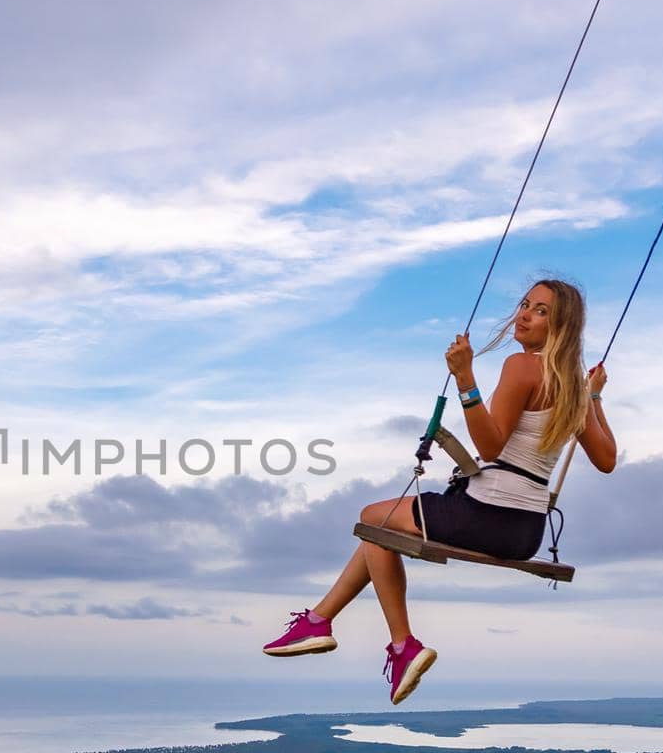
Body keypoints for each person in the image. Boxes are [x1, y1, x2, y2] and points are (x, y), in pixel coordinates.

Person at [261, 279, 618, 704]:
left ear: (561, 325)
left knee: (374, 519)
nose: (524, 314)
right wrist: (593, 397)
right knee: (383, 523)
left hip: (486, 514)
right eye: (525, 304)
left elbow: (490, 445)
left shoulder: (522, 367)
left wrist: (466, 379)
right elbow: (607, 459)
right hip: (526, 533)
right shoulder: (574, 387)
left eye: (540, 310)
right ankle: (319, 621)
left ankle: (401, 646)